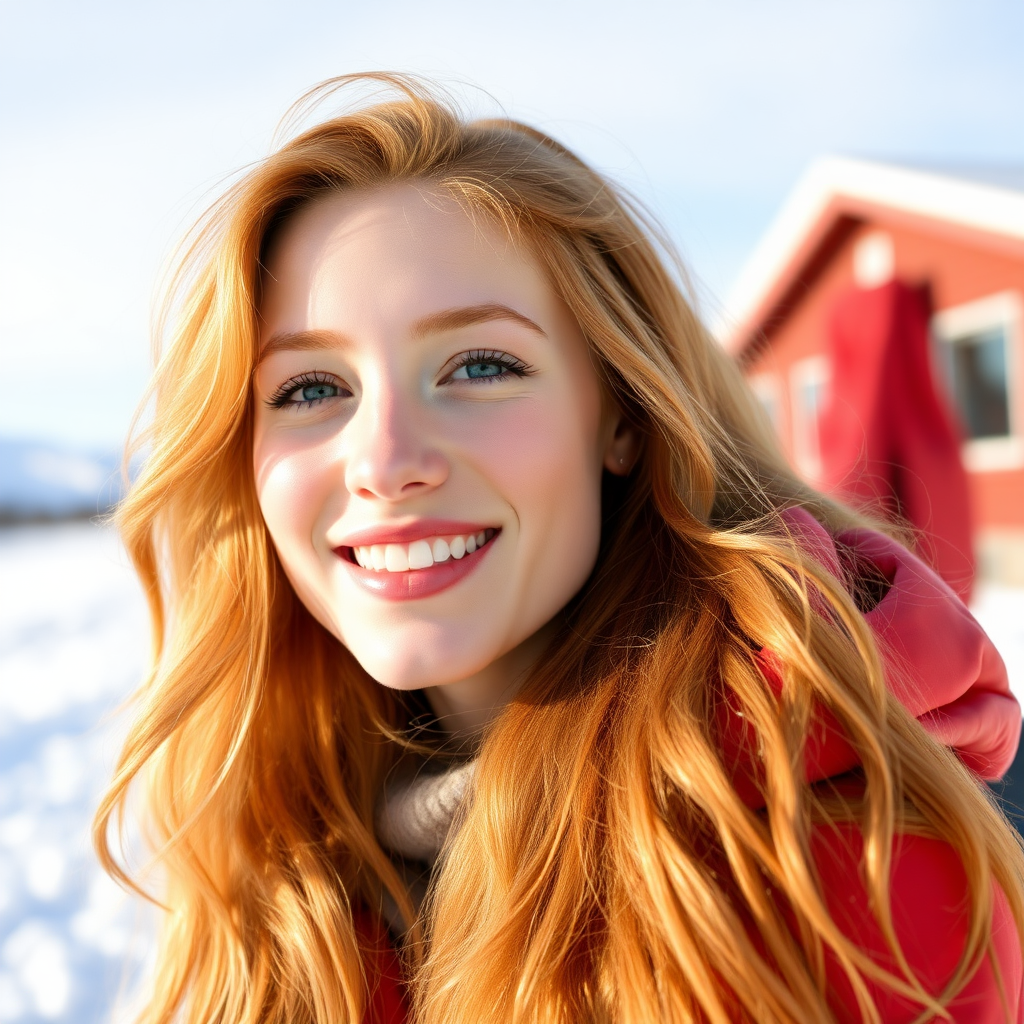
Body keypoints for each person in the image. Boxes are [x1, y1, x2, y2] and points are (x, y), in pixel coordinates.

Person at [95, 73, 1024, 1024]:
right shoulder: (274, 856)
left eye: (481, 366)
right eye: (308, 388)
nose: (383, 461)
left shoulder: (839, 858)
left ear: (620, 416)